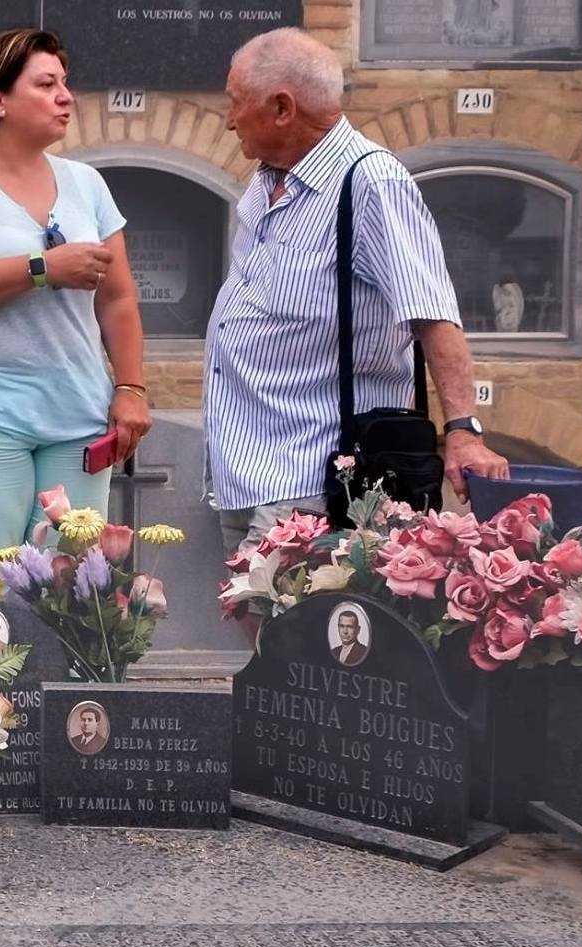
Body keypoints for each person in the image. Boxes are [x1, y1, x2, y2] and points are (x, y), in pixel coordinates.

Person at [205, 28, 506, 565]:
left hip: (322, 473)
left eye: (235, 102)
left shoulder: (370, 182)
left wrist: (463, 430)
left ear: (281, 108)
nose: (228, 119)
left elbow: (433, 312)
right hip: (244, 466)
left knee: (302, 638)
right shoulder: (266, 181)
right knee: (264, 630)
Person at [0, 29, 151, 618]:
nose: (66, 95)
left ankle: (64, 711)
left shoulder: (87, 184)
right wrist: (44, 268)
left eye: (66, 83)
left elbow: (118, 298)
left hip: (78, 416)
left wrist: (132, 389)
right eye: (46, 84)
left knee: (76, 581)